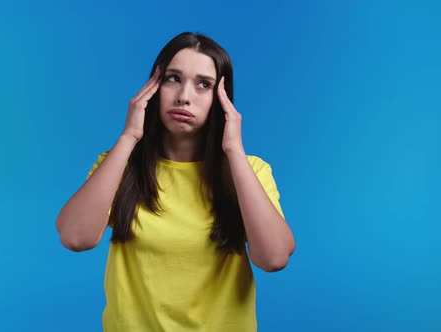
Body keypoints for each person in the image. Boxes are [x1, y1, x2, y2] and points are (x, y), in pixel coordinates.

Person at [55, 32, 296, 332]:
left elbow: (273, 258)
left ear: (221, 99)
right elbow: (75, 238)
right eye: (173, 78)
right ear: (153, 88)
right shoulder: (119, 166)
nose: (184, 95)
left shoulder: (251, 171)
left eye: (204, 85)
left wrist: (234, 150)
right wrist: (128, 137)